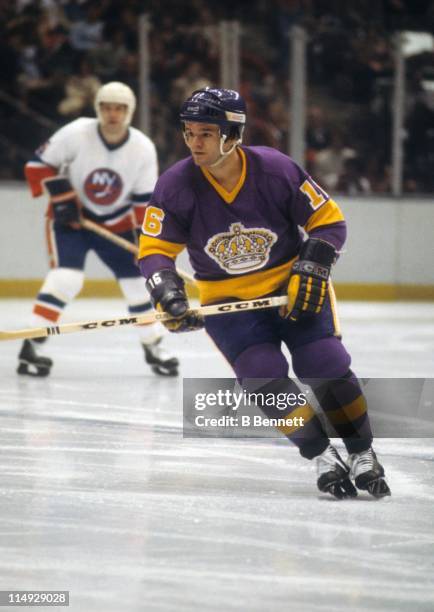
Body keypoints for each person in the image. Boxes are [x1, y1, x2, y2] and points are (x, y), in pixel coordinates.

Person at [137, 87, 391, 499]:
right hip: (227, 305)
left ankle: (363, 453)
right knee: (263, 377)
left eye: (205, 133)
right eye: (188, 132)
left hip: (293, 289)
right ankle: (322, 455)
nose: (193, 143)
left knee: (323, 362)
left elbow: (329, 223)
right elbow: (154, 251)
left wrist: (311, 266)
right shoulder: (176, 185)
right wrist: (167, 291)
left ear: (232, 135)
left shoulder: (275, 169)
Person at [18, 81, 179, 377]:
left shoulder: (142, 147)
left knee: (136, 284)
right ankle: (33, 344)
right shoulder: (76, 132)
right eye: (107, 107)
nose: (113, 114)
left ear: (129, 111)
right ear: (98, 109)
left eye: (119, 108)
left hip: (117, 224)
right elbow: (36, 167)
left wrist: (146, 242)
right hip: (71, 221)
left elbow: (144, 203)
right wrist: (62, 195)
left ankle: (153, 344)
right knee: (66, 279)